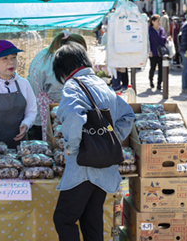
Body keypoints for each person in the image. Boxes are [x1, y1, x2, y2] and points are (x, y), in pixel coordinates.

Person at [51, 42, 135, 241]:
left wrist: (72, 147)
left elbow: (72, 116)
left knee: (64, 218)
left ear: (63, 69)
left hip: (84, 168)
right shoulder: (102, 84)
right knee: (92, 218)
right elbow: (128, 115)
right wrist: (110, 139)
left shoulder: (73, 86)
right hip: (105, 166)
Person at [27, 30, 86, 141]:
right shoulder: (58, 62)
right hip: (46, 118)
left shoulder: (43, 54)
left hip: (34, 113)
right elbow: (57, 94)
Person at [148, 14, 171, 90]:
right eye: (157, 21)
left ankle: (159, 84)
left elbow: (163, 39)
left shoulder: (161, 30)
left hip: (161, 53)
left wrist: (167, 39)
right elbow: (147, 42)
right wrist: (149, 51)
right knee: (153, 68)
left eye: (159, 21)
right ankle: (151, 80)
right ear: (153, 21)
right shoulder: (149, 30)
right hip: (153, 52)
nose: (159, 22)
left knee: (161, 69)